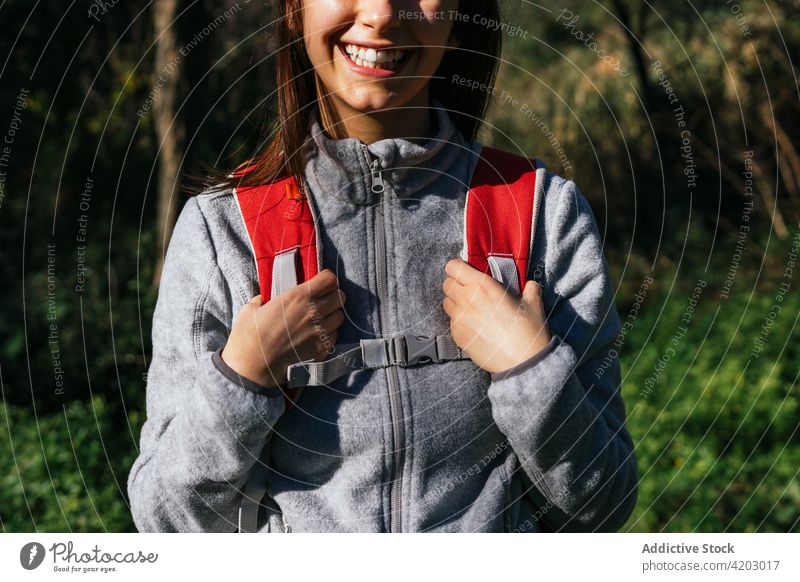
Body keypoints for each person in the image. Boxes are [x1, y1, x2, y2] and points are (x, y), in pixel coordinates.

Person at [127, 0, 638, 533]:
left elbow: (603, 504)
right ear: (294, 12)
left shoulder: (540, 215)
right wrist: (243, 379)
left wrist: (530, 370)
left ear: (461, 18)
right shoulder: (223, 229)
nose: (381, 14)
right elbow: (167, 521)